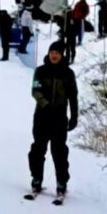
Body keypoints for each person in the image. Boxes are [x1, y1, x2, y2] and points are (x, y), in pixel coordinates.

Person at [27, 40, 78, 197]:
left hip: (59, 116)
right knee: (38, 148)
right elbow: (35, 90)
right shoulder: (41, 71)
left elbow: (73, 96)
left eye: (57, 53)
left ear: (62, 55)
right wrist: (45, 104)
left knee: (59, 151)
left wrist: (74, 116)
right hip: (42, 115)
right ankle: (37, 178)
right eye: (51, 53)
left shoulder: (68, 73)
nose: (54, 56)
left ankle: (61, 182)